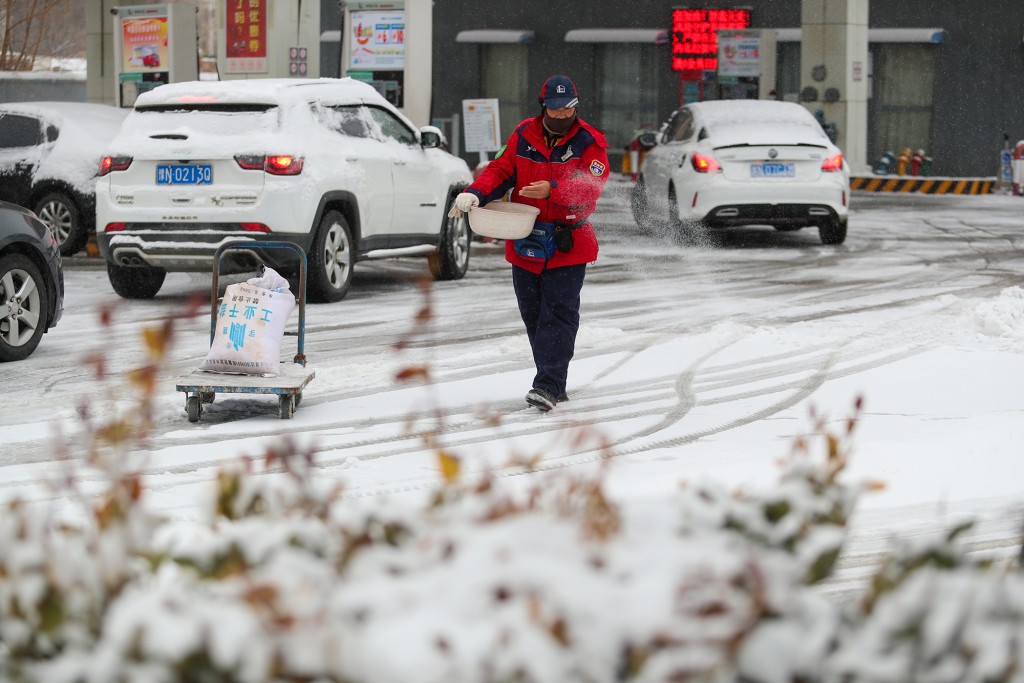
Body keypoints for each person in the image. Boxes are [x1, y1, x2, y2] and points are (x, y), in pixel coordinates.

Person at [448, 75, 610, 412]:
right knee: (534, 315)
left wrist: (554, 189)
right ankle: (551, 379)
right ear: (544, 107)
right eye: (556, 109)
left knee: (559, 314)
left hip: (567, 243)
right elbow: (500, 169)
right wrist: (474, 193)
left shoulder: (590, 142)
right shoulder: (524, 134)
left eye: (569, 109)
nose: (563, 115)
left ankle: (548, 384)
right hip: (525, 239)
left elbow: (592, 186)